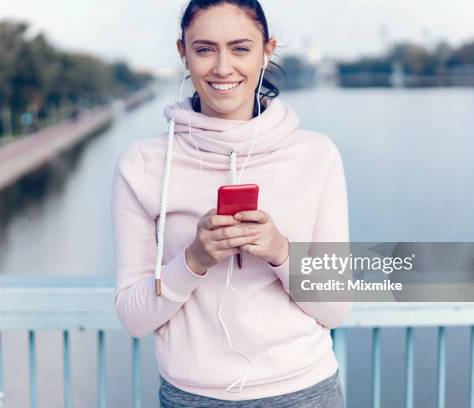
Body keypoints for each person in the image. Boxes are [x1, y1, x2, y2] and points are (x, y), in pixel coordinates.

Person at [112, 0, 352, 406]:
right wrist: (193, 260)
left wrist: (279, 252)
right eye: (205, 49)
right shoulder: (143, 164)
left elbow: (336, 309)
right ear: (182, 53)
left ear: (267, 50)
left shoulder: (317, 154)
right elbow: (134, 319)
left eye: (240, 48)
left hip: (306, 393)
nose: (223, 67)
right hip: (192, 397)